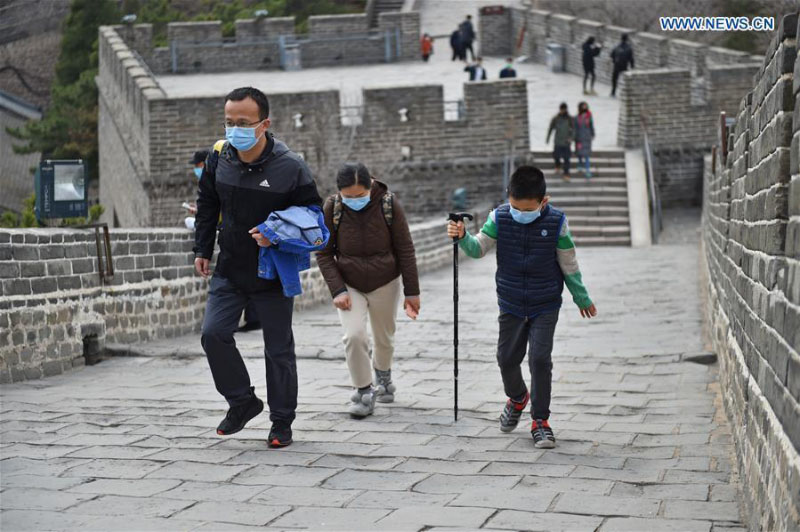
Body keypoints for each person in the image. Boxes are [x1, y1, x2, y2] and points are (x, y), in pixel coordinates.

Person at [193, 86, 323, 448]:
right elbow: (207, 202)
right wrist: (202, 247)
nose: (234, 129)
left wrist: (275, 234)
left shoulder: (290, 166)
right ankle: (242, 401)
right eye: (229, 122)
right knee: (213, 334)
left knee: (278, 349)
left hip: (273, 271)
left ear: (264, 124)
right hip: (230, 267)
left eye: (243, 122)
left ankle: (282, 422)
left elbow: (313, 216)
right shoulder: (219, 157)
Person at [446, 165, 597, 449]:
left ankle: (540, 421)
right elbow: (478, 248)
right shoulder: (499, 218)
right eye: (516, 208)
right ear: (508, 196)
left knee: (540, 360)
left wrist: (581, 297)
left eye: (528, 210)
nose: (520, 214)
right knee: (506, 359)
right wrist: (462, 236)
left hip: (545, 303)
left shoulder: (557, 222)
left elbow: (569, 263)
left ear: (544, 201)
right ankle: (517, 398)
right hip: (511, 302)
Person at [316, 163, 421, 418]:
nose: (354, 200)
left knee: (384, 338)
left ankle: (383, 374)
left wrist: (412, 292)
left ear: (370, 186)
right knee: (354, 336)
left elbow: (405, 248)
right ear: (339, 192)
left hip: (385, 281)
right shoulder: (332, 207)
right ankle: (363, 391)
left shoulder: (388, 203)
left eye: (360, 195)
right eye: (348, 196)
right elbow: (324, 253)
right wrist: (338, 290)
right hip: (349, 284)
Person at [546, 103, 574, 182]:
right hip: (558, 141)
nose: (563, 111)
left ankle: (566, 174)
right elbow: (550, 128)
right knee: (556, 156)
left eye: (564, 109)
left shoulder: (570, 118)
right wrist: (548, 138)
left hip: (566, 142)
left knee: (567, 159)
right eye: (562, 109)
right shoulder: (556, 118)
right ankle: (557, 166)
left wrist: (571, 138)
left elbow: (574, 129)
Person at [184, 150, 208, 229]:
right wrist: (198, 208)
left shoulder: (211, 182)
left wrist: (199, 210)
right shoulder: (204, 182)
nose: (196, 168)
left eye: (197, 165)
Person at [574, 101, 595, 179]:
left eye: (585, 106)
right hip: (579, 139)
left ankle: (587, 170)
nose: (584, 108)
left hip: (587, 138)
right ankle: (580, 164)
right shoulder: (576, 117)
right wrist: (574, 137)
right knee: (579, 153)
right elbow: (575, 128)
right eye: (583, 106)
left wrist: (592, 134)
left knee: (586, 155)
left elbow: (591, 126)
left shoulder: (589, 116)